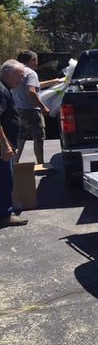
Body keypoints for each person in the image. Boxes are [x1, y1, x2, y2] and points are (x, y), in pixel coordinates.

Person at [12, 51, 61, 168]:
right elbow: (31, 92)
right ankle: (40, 164)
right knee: (38, 138)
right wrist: (43, 107)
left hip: (18, 109)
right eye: (36, 60)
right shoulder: (31, 73)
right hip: (31, 110)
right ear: (32, 60)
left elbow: (34, 85)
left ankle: (14, 164)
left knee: (20, 138)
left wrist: (54, 81)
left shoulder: (16, 72)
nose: (37, 63)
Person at [1, 59, 28, 227]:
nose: (21, 79)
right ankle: (5, 215)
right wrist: (5, 145)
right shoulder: (1, 90)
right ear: (5, 73)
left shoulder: (5, 88)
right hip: (3, 147)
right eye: (19, 75)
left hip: (6, 144)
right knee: (5, 181)